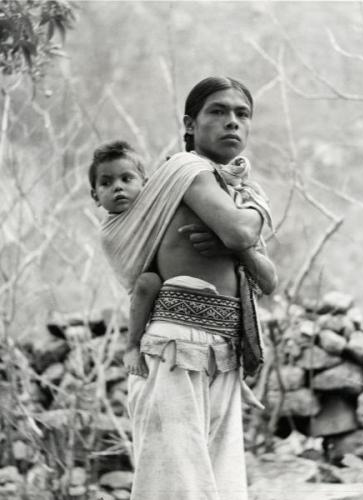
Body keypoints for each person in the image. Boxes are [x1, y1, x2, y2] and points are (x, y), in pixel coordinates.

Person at [98, 76, 272, 500]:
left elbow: (267, 280)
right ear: (190, 124)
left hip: (223, 350)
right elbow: (239, 231)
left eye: (241, 114)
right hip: (176, 343)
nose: (232, 122)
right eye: (218, 112)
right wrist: (240, 233)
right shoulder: (187, 170)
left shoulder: (237, 189)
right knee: (176, 480)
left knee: (218, 480)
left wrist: (238, 252)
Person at [87, 140, 276, 379]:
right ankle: (132, 345)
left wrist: (232, 244)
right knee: (146, 283)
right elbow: (136, 271)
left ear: (147, 186)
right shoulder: (111, 231)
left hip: (222, 334)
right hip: (163, 315)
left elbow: (269, 281)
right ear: (95, 196)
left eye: (126, 179)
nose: (117, 188)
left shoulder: (163, 203)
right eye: (106, 183)